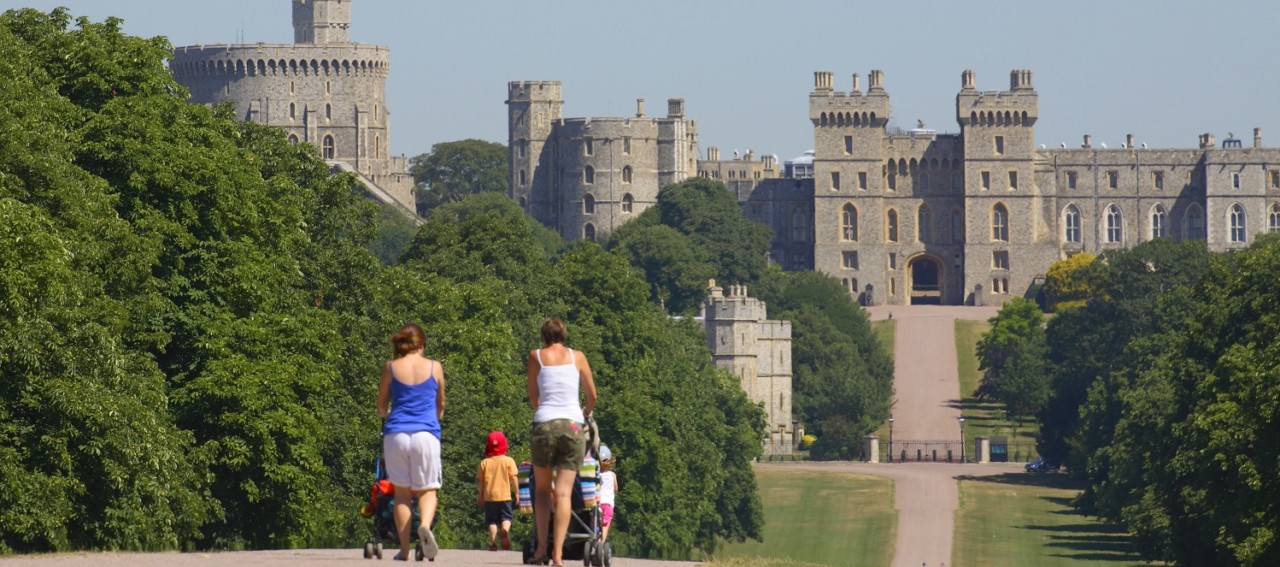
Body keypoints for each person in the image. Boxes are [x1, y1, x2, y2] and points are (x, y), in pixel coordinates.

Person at [527, 317, 597, 566]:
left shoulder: (536, 356)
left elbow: (533, 395)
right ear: (564, 335)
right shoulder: (578, 357)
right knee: (565, 493)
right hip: (573, 425)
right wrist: (584, 413)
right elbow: (592, 395)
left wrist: (542, 412)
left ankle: (540, 551)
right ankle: (558, 554)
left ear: (543, 337)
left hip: (545, 423)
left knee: (543, 490)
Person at [378, 324, 446, 561]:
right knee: (427, 490)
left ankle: (404, 551)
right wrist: (434, 418)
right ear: (422, 345)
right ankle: (425, 525)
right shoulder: (434, 367)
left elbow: (381, 405)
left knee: (402, 495)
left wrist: (385, 413)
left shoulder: (390, 367)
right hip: (426, 434)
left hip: (396, 433)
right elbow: (441, 404)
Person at [476, 431, 518, 551]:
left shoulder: (484, 463)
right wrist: (517, 493)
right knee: (507, 518)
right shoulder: (508, 461)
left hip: (489, 497)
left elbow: (481, 482)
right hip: (505, 496)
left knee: (492, 521)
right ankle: (505, 530)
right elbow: (514, 477)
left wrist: (480, 496)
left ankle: (494, 543)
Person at [597, 445, 618, 543]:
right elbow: (616, 489)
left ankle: (595, 541)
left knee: (596, 524)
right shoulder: (612, 475)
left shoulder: (597, 474)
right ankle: (602, 542)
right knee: (605, 524)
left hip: (598, 502)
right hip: (608, 503)